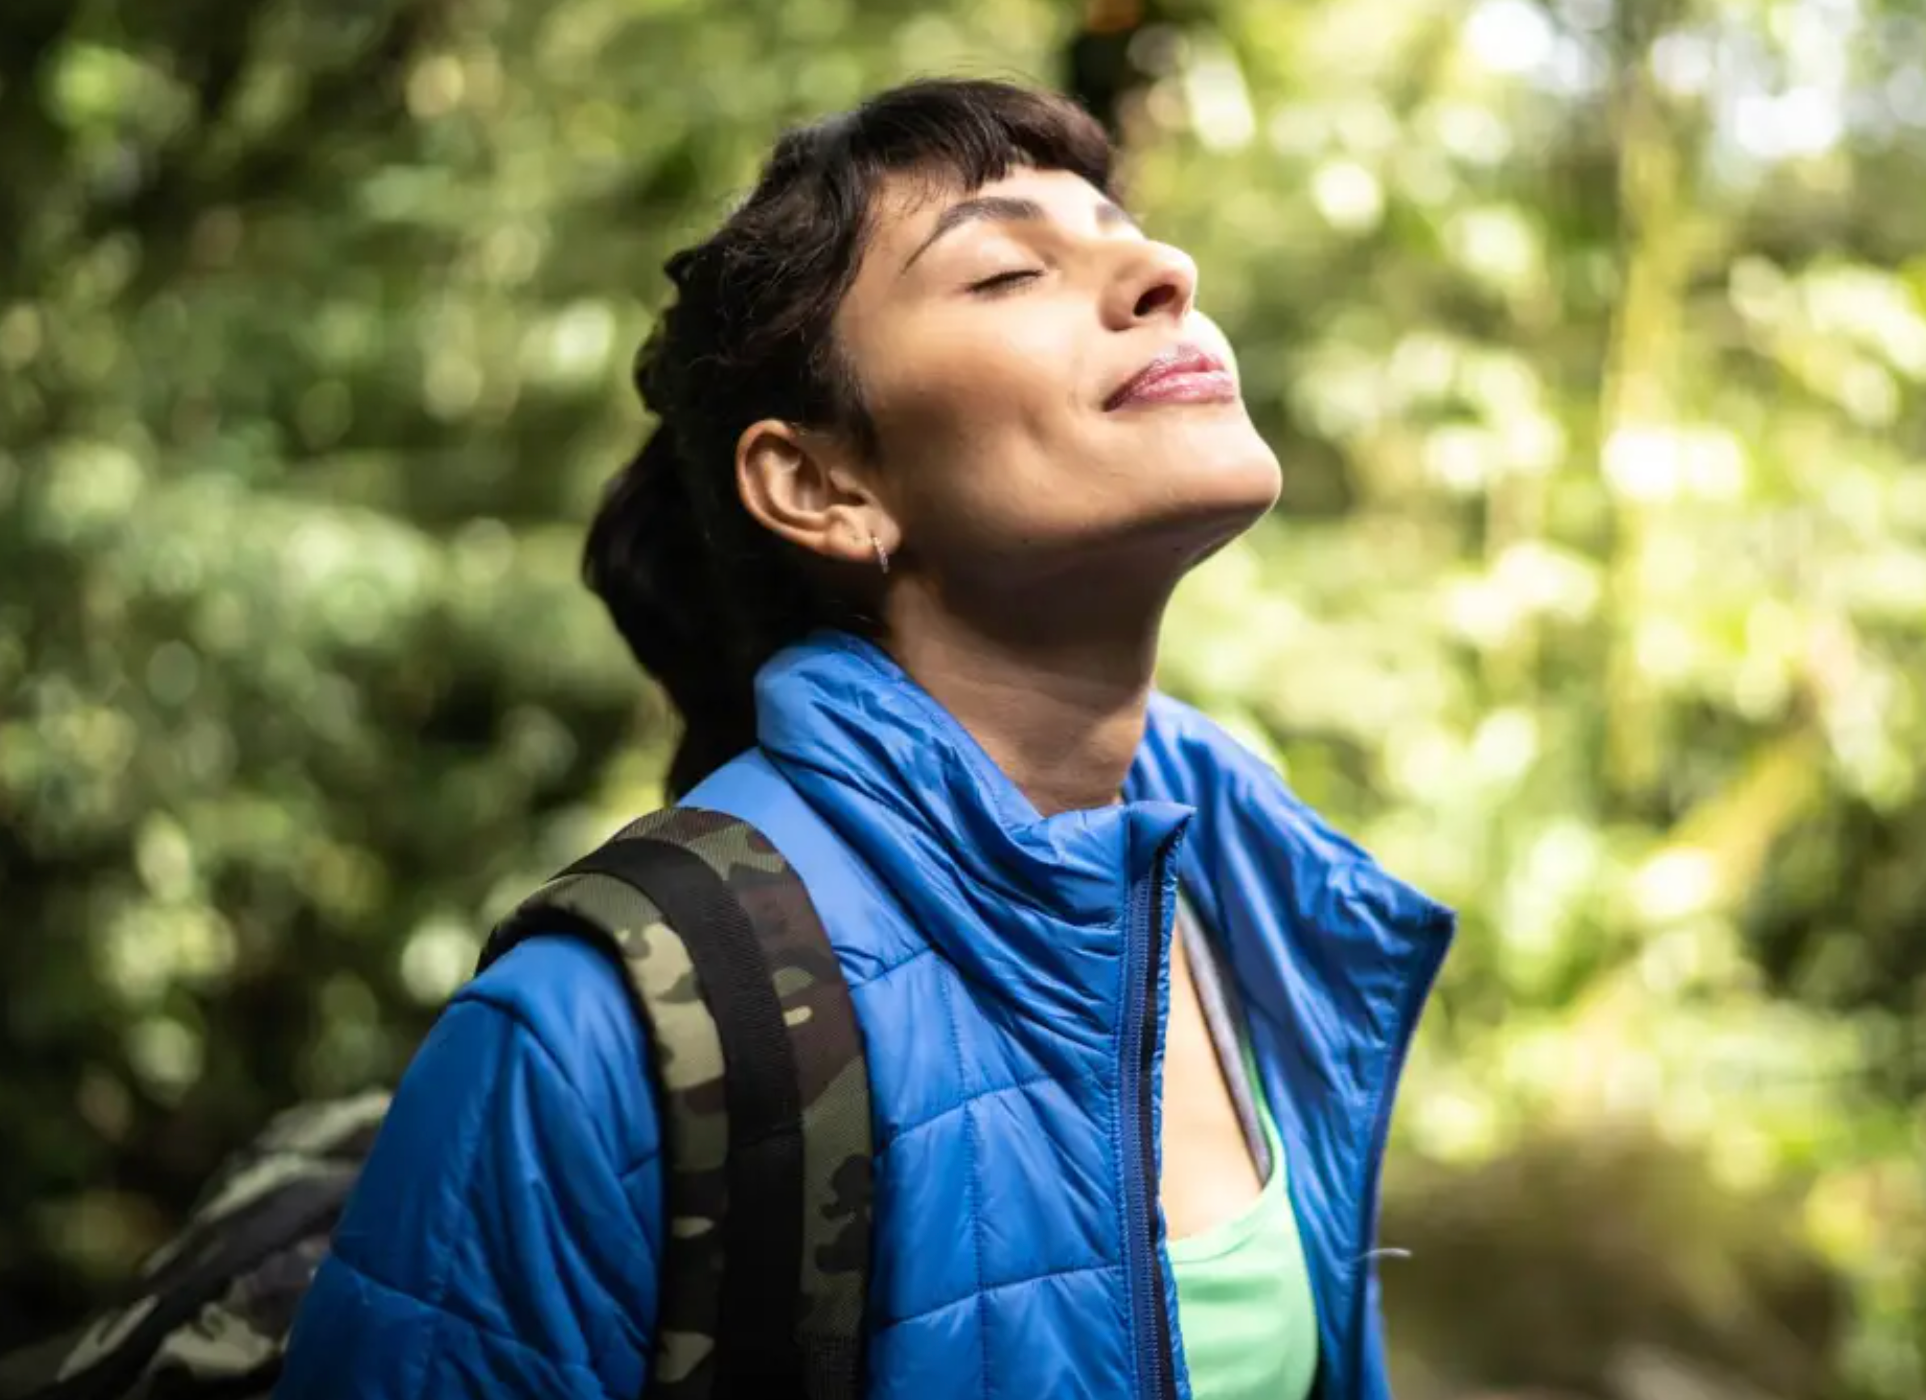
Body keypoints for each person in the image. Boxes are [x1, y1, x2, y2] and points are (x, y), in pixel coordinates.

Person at [275, 76, 1453, 1400]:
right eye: (1007, 271)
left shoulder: (1245, 885)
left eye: (1127, 232)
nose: (1163, 271)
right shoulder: (588, 1038)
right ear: (822, 486)